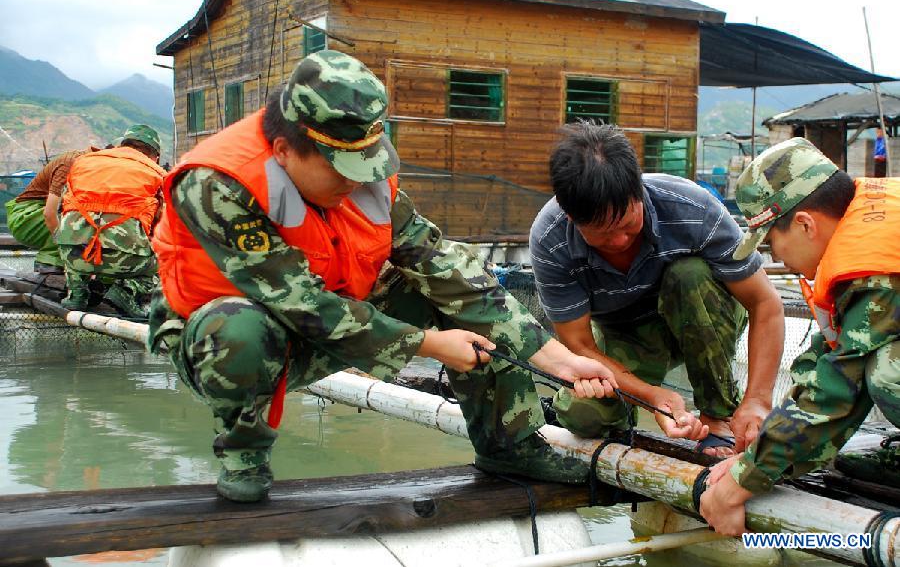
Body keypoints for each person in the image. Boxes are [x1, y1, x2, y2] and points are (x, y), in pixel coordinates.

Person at [147, 50, 620, 503]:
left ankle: (508, 443)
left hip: (340, 319)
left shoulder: (366, 177)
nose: (355, 182)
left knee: (451, 293)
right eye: (340, 170)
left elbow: (443, 265)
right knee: (240, 326)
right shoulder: (216, 185)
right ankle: (244, 455)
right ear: (285, 151)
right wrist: (429, 345)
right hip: (224, 343)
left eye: (363, 166)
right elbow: (301, 304)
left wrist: (554, 357)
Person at [529, 122, 785, 455]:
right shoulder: (551, 239)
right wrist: (654, 398)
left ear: (639, 190)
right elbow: (579, 344)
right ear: (570, 218)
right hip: (626, 333)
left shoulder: (693, 209)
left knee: (688, 274)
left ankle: (718, 415)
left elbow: (765, 304)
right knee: (584, 417)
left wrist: (757, 401)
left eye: (627, 224)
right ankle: (619, 416)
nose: (619, 241)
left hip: (705, 315)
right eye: (602, 234)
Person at [700, 137, 900, 535]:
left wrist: (736, 486)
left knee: (888, 373)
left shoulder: (875, 274)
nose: (779, 261)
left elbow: (837, 391)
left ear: (806, 223)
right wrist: (755, 457)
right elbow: (830, 358)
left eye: (773, 244)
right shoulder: (870, 218)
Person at [57, 125, 166, 318]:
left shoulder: (83, 162)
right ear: (155, 155)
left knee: (73, 235)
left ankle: (77, 295)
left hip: (73, 256)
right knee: (167, 257)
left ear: (122, 144)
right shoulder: (156, 172)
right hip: (126, 260)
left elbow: (62, 211)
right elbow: (165, 228)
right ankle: (128, 291)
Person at [5, 149, 91, 274]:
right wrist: (64, 246)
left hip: (40, 215)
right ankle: (50, 260)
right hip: (26, 219)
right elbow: (49, 213)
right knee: (77, 217)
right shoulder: (70, 163)